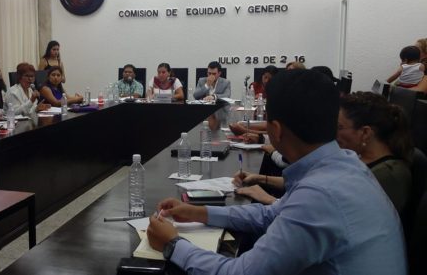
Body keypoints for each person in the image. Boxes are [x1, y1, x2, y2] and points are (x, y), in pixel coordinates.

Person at [147, 69, 406, 275]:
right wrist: (197, 212)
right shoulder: (345, 164)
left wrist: (172, 245)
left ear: (276, 130)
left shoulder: (321, 194)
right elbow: (270, 214)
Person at [235, 92, 413, 214]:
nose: (333, 133)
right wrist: (260, 178)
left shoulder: (386, 176)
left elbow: (321, 213)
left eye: (339, 127)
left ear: (365, 133)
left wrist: (268, 199)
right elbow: (312, 186)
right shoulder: (360, 160)